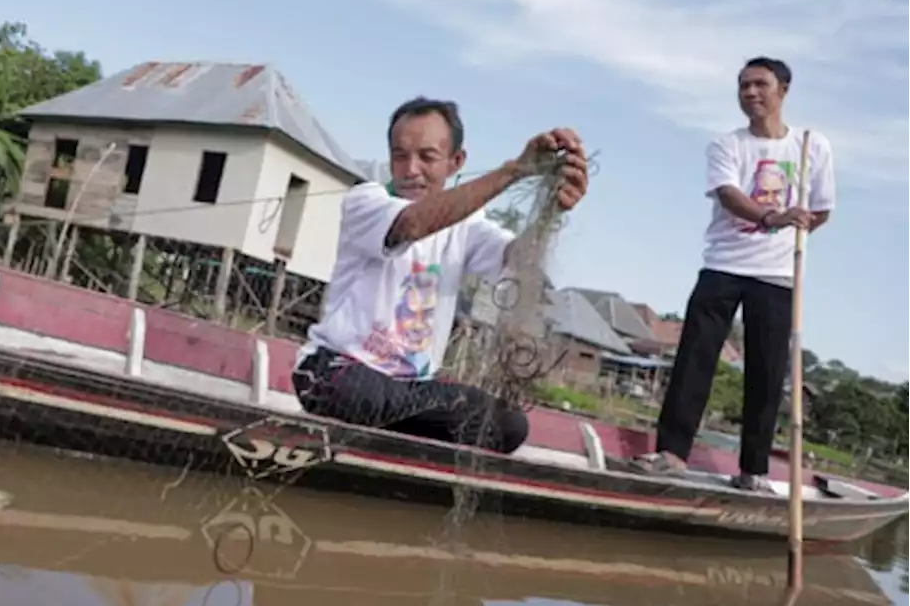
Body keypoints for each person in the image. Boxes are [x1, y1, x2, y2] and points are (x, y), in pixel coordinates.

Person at [291, 97, 589, 454]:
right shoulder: (366, 201)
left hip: (411, 390)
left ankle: (399, 443)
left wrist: (550, 212)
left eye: (427, 157)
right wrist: (516, 169)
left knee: (508, 424)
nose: (411, 169)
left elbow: (516, 259)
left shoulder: (466, 227)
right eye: (400, 156)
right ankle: (405, 437)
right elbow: (413, 223)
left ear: (456, 163)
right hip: (337, 372)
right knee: (362, 395)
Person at [630, 56, 835, 491]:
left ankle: (753, 471)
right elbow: (728, 195)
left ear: (783, 89)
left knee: (766, 372)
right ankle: (671, 453)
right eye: (743, 86)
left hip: (777, 275)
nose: (750, 93)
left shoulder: (812, 146)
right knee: (695, 360)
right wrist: (772, 219)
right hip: (723, 264)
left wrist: (796, 229)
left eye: (760, 84)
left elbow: (820, 209)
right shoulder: (728, 145)